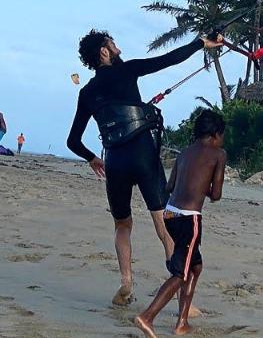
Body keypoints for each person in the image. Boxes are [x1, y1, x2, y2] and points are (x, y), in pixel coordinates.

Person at [67, 28, 224, 307]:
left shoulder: (87, 92)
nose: (118, 48)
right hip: (143, 156)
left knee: (122, 224)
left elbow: (73, 141)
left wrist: (93, 158)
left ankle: (126, 282)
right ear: (104, 51)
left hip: (114, 161)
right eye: (112, 43)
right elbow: (170, 59)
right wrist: (202, 43)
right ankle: (181, 296)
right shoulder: (127, 71)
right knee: (163, 221)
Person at [134, 109, 226, 338]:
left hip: (170, 213)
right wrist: (202, 186)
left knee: (195, 266)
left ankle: (182, 321)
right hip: (189, 218)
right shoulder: (218, 154)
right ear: (216, 134)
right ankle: (147, 317)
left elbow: (170, 186)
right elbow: (216, 194)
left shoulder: (184, 153)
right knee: (181, 273)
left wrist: (190, 183)